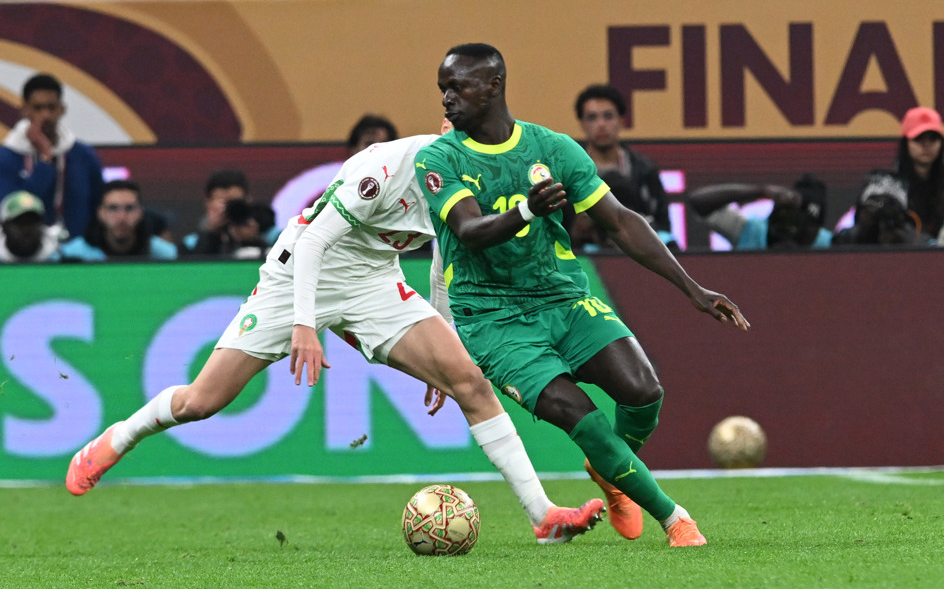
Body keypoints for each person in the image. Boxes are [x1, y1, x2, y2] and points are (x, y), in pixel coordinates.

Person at [65, 122, 605, 546]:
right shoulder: (385, 168)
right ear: (444, 132)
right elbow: (314, 242)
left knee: (470, 382)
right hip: (301, 272)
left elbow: (444, 264)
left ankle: (543, 517)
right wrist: (305, 325)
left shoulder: (470, 185)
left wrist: (442, 345)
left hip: (373, 279)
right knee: (202, 401)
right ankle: (119, 438)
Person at [415, 43, 750, 547]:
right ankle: (676, 519)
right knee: (581, 416)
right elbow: (470, 230)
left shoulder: (552, 148)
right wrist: (526, 210)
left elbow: (619, 221)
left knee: (644, 391)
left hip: (562, 298)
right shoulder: (440, 157)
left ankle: (611, 469)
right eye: (443, 88)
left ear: (494, 85)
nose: (446, 99)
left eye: (457, 87)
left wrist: (692, 288)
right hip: (493, 318)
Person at [0, 73, 104, 240]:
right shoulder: (4, 158)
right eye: (38, 108)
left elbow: (98, 205)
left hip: (77, 249)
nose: (46, 115)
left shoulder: (83, 155)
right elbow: (13, 209)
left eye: (51, 108)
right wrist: (45, 159)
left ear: (62, 109)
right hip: (26, 249)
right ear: (24, 110)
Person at [571, 84, 677, 252]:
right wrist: (577, 231)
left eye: (608, 116)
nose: (601, 124)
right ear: (582, 124)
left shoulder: (645, 170)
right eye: (592, 117)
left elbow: (663, 225)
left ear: (621, 121)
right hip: (587, 256)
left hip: (640, 253)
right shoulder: (569, 173)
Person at [687, 174, 833, 250]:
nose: (791, 231)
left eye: (806, 225)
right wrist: (760, 191)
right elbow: (698, 202)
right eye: (786, 218)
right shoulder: (753, 231)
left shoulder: (829, 244)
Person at [60, 180, 178, 261]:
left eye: (129, 208)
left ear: (141, 212)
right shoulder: (72, 256)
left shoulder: (166, 255)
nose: (122, 217)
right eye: (113, 208)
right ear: (100, 213)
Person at [832, 171, 931, 247]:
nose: (880, 213)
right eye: (874, 203)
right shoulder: (843, 239)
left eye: (888, 205)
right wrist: (863, 234)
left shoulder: (923, 244)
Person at [894, 106, 944, 240]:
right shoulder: (891, 186)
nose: (926, 145)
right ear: (906, 143)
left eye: (933, 138)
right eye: (919, 138)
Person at [0, 191, 62, 263]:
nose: (27, 229)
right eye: (20, 223)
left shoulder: (61, 263)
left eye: (32, 222)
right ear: (4, 227)